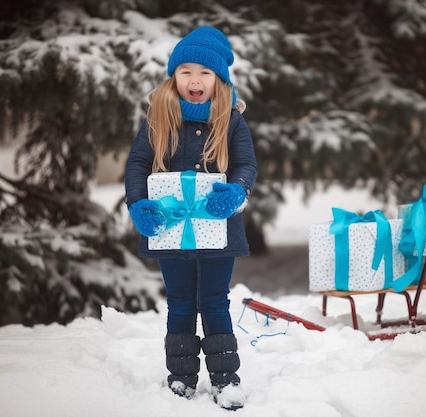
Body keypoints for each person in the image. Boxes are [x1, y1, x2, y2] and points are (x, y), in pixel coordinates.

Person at [124, 26, 258, 410]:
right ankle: (181, 378)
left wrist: (236, 191)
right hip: (169, 230)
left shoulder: (231, 120)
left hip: (219, 230)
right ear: (174, 77)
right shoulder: (158, 118)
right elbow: (137, 163)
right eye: (185, 71)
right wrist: (138, 203)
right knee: (181, 303)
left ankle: (225, 381)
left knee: (215, 302)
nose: (194, 80)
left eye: (204, 73)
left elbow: (246, 164)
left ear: (218, 80)